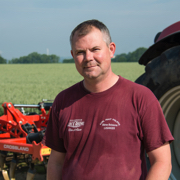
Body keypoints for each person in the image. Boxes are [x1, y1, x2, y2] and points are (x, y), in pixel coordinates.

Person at [43, 19, 174, 180]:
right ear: (72, 55)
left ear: (111, 50)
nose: (88, 58)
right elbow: (56, 162)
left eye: (95, 49)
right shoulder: (63, 101)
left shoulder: (141, 98)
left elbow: (162, 162)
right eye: (80, 52)